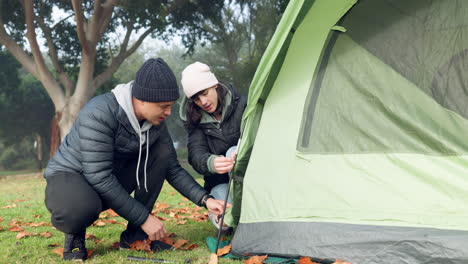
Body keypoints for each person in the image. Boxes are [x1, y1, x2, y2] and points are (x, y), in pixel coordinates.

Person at [44, 58, 229, 261]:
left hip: (110, 176)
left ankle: (134, 237)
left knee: (161, 156)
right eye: (163, 106)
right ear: (141, 100)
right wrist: (145, 218)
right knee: (78, 208)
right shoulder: (99, 113)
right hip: (71, 176)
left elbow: (172, 169)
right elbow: (99, 176)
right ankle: (75, 235)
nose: (168, 112)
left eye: (170, 106)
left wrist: (206, 200)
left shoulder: (156, 123)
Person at [179, 62, 247, 232]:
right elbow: (195, 155)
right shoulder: (194, 119)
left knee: (234, 152)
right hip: (219, 182)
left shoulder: (243, 104)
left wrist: (242, 151)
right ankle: (237, 217)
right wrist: (211, 162)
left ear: (214, 85)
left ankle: (251, 211)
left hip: (249, 181)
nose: (203, 102)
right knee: (225, 224)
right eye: (196, 98)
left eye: (204, 93)